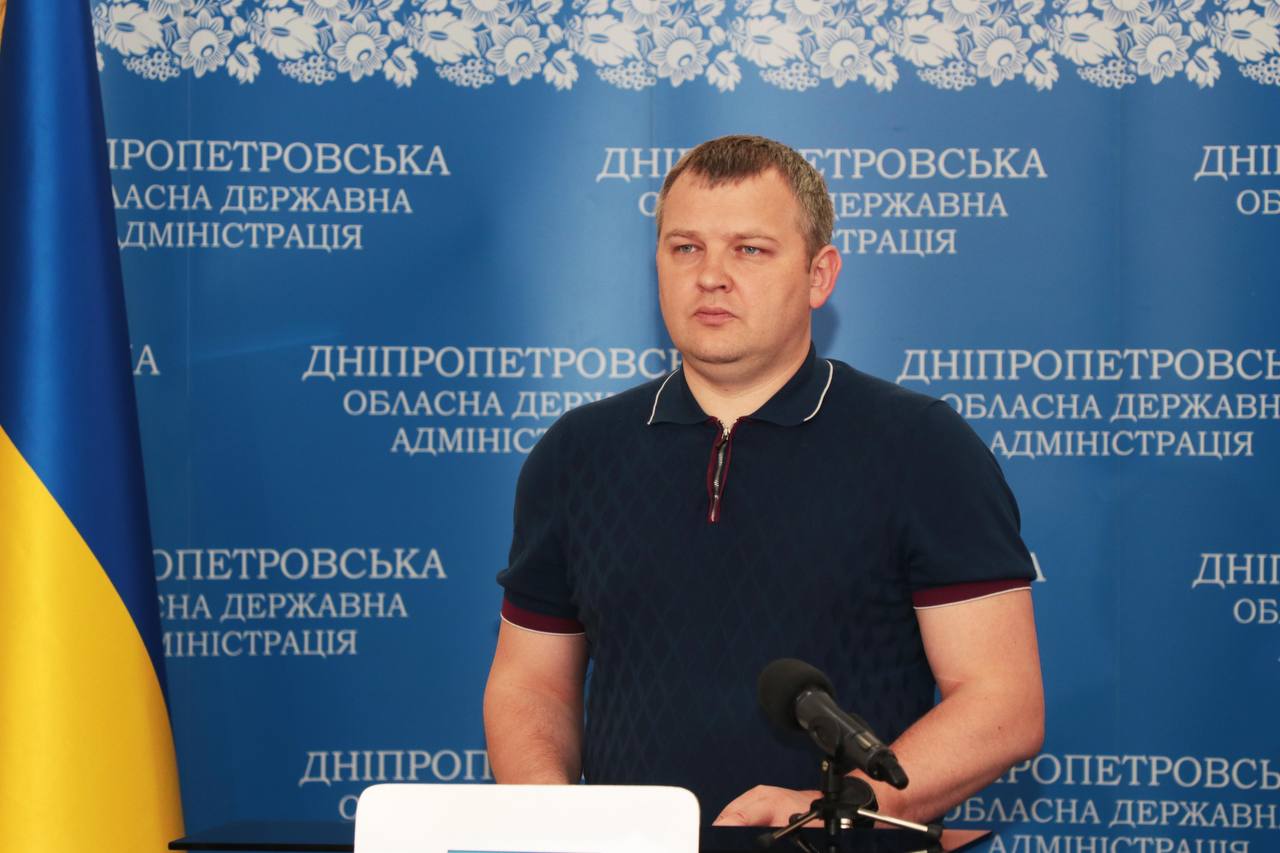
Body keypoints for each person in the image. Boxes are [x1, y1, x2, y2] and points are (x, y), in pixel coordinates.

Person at [483, 134, 1044, 828]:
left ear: (819, 275)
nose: (711, 276)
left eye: (749, 249)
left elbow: (1002, 702)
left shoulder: (922, 447)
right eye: (686, 247)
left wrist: (834, 812)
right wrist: (551, 817)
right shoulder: (577, 452)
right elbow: (531, 684)